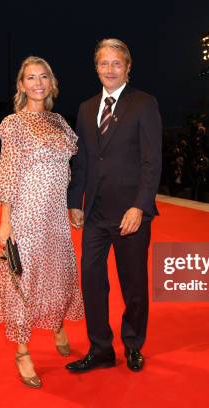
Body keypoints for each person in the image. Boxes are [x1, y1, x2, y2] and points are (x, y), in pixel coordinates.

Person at [0, 56, 84, 389]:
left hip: (55, 213)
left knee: (58, 270)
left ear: (52, 83)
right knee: (22, 279)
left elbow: (73, 166)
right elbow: (9, 174)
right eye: (30, 77)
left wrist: (73, 206)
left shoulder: (60, 122)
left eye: (44, 76)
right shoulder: (13, 123)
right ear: (21, 85)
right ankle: (22, 350)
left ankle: (56, 323)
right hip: (27, 212)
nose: (38, 83)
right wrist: (5, 222)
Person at [66, 38, 162, 373]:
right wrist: (74, 202)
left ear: (128, 67)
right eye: (104, 63)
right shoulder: (86, 107)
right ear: (96, 67)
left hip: (130, 213)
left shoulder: (144, 104)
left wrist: (140, 206)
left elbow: (152, 161)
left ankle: (133, 344)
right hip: (94, 212)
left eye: (116, 63)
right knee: (92, 281)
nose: (110, 69)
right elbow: (82, 162)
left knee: (132, 283)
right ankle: (101, 348)